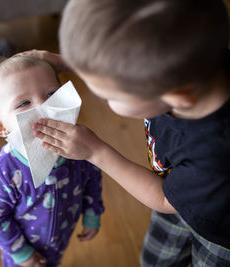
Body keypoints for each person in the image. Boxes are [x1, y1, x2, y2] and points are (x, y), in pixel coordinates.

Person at [29, 0, 230, 265]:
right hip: (181, 187)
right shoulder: (188, 69)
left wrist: (95, 151)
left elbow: (164, 198)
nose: (101, 98)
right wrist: (67, 62)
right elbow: (133, 69)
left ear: (176, 96)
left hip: (217, 233)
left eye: (109, 95)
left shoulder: (215, 159)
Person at [0, 55, 105, 267]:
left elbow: (93, 178)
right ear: (1, 127)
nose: (43, 106)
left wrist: (93, 213)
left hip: (61, 238)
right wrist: (22, 254)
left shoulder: (78, 145)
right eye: (24, 103)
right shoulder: (4, 170)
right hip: (21, 254)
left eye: (51, 94)